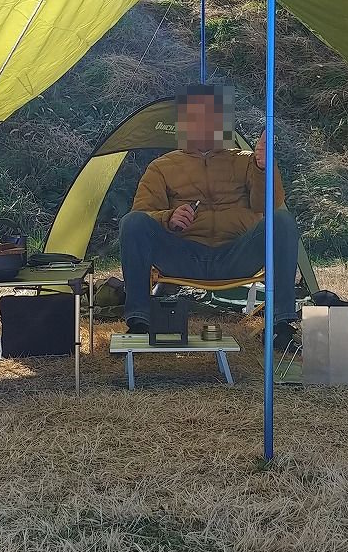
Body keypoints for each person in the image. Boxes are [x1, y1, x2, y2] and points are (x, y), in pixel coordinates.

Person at [119, 84, 301, 352]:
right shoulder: (161, 167)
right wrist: (168, 218)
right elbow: (142, 214)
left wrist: (264, 167)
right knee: (131, 223)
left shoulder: (247, 161)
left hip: (237, 254)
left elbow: (269, 205)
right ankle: (139, 322)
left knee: (283, 222)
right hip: (183, 257)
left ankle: (280, 326)